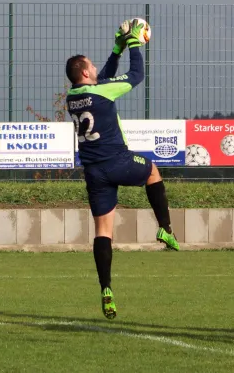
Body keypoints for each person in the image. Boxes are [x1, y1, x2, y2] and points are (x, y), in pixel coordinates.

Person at [65, 20, 179, 320]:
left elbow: (101, 79)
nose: (94, 68)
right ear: (85, 72)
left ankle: (106, 288)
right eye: (91, 65)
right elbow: (138, 74)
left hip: (93, 172)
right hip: (117, 161)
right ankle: (166, 229)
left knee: (104, 232)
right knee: (153, 171)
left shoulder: (72, 98)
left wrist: (115, 49)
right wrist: (132, 43)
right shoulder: (102, 92)